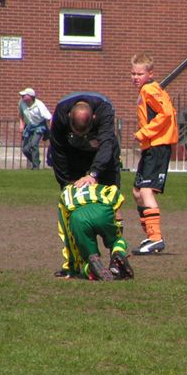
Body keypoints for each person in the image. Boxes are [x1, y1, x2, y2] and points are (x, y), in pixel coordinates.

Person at [49, 91, 123, 277]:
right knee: (71, 204)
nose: (81, 136)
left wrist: (94, 173)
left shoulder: (104, 111)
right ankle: (99, 255)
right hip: (73, 158)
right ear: (68, 118)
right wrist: (65, 183)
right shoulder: (60, 114)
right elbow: (57, 151)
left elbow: (107, 145)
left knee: (113, 200)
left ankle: (115, 258)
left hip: (103, 158)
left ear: (94, 118)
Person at [130, 53, 178, 255]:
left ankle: (155, 239)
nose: (135, 77)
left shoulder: (150, 89)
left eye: (139, 73)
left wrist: (144, 133)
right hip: (151, 146)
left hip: (158, 145)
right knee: (137, 192)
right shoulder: (145, 90)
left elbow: (166, 114)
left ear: (150, 74)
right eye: (132, 73)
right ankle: (150, 237)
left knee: (146, 191)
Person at [57, 183, 134, 281]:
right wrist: (115, 216)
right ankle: (118, 252)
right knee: (117, 241)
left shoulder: (65, 192)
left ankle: (90, 268)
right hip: (102, 211)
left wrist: (71, 268)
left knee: (88, 258)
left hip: (78, 217)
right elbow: (114, 191)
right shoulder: (94, 185)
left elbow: (66, 233)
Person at [18, 88, 51, 170]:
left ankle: (36, 167)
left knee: (33, 144)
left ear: (31, 96)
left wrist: (51, 129)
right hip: (29, 126)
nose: (22, 97)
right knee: (25, 149)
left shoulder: (39, 105)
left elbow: (49, 117)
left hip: (39, 126)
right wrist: (21, 125)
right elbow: (21, 114)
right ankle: (35, 161)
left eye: (24, 95)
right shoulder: (21, 103)